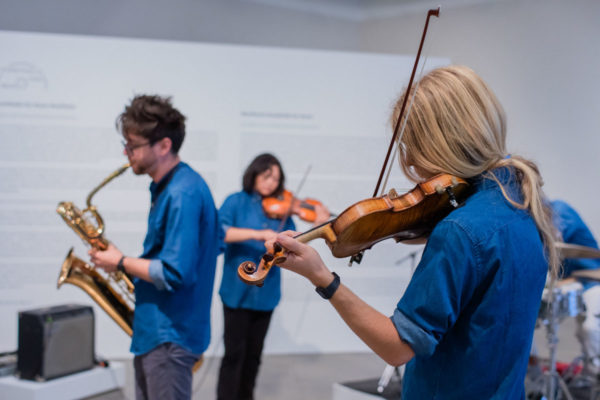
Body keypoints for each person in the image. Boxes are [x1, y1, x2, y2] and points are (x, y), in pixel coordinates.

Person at [265, 65, 560, 399]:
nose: (413, 164)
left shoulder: (460, 231)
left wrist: (322, 277)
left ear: (441, 143)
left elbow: (398, 347)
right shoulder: (524, 203)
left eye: (411, 146)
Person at [89, 95, 220, 400]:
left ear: (162, 146)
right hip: (158, 335)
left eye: (132, 146)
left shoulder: (182, 193)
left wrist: (121, 262)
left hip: (169, 338)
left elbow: (175, 273)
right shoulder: (172, 187)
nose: (126, 153)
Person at [216, 153, 329, 400]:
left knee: (254, 356)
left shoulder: (284, 211)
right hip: (236, 290)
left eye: (276, 179)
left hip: (266, 292)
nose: (271, 183)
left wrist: (318, 226)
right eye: (266, 176)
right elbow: (220, 231)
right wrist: (258, 234)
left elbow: (295, 243)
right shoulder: (235, 201)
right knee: (233, 355)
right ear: (254, 174)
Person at [551, 199, 600, 375]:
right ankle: (533, 368)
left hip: (593, 281)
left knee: (590, 328)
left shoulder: (560, 210)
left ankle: (595, 372)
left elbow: (553, 237)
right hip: (571, 283)